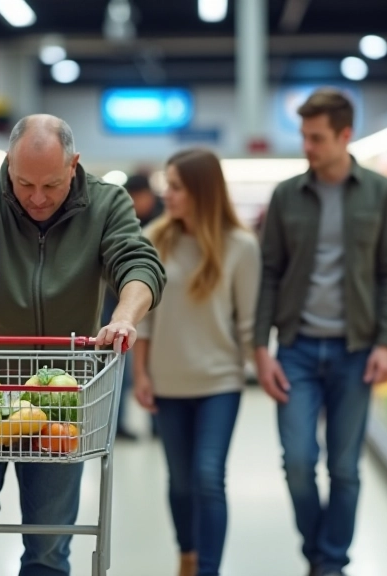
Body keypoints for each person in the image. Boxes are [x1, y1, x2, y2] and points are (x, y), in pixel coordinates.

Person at [0, 114, 166, 576]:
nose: (37, 198)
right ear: (8, 162)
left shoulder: (107, 204)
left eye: (51, 184)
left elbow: (139, 265)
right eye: (24, 182)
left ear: (75, 164)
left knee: (49, 545)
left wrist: (125, 318)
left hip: (60, 394)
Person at [253, 89, 387, 576]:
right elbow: (269, 272)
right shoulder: (286, 195)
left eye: (316, 138)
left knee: (344, 468)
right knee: (297, 461)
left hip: (356, 350)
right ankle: (318, 553)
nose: (307, 147)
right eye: (303, 136)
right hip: (296, 348)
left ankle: (330, 563)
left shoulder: (381, 193)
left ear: (345, 135)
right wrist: (260, 346)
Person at [133, 149, 260, 576]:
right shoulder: (155, 239)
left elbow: (250, 323)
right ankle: (186, 554)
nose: (166, 194)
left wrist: (262, 367)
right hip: (168, 381)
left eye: (176, 187)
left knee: (208, 477)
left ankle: (208, 569)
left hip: (220, 382)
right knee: (181, 482)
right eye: (166, 185)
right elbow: (144, 318)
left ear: (202, 192)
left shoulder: (241, 247)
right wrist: (141, 374)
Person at [101, 172, 164, 440]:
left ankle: (158, 425)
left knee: (155, 366)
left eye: (137, 197)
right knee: (120, 368)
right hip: (115, 305)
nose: (134, 203)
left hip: (155, 305)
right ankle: (117, 426)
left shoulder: (164, 220)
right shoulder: (121, 217)